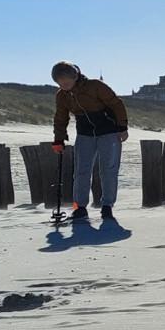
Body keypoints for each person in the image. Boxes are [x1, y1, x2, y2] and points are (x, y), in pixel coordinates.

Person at [51, 61, 128, 221]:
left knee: (108, 170)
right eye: (60, 82)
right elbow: (60, 118)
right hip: (85, 134)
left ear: (75, 76)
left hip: (109, 131)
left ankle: (107, 206)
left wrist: (122, 127)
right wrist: (58, 139)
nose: (63, 85)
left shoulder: (95, 86)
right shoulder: (62, 95)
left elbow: (116, 103)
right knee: (81, 171)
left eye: (66, 81)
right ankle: (80, 207)